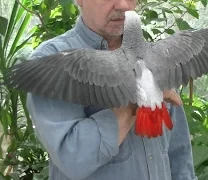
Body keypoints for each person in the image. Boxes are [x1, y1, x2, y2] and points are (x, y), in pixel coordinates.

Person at [26, 0, 197, 180]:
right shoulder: (50, 61)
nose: (123, 5)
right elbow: (72, 158)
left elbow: (179, 155)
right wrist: (138, 100)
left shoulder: (155, 57)